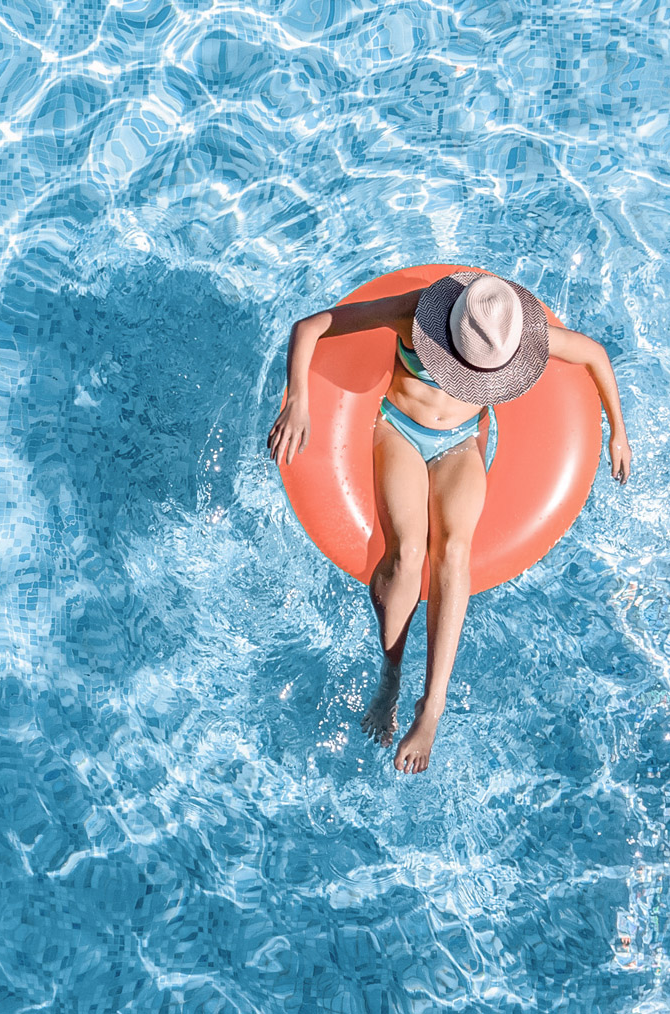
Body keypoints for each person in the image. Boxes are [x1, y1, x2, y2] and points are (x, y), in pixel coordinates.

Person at [266, 271, 631, 774]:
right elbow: (311, 327)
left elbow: (593, 354)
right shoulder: (414, 313)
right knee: (409, 552)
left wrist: (618, 432)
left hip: (459, 444)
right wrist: (300, 400)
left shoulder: (520, 336)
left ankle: (431, 706)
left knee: (454, 551)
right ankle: (391, 673)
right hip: (398, 429)